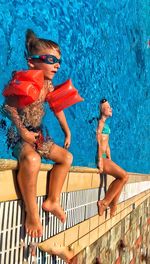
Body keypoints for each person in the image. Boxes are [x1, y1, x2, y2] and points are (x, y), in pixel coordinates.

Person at [3, 29, 73, 238]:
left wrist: (67, 131)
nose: (57, 64)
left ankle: (52, 200)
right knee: (32, 160)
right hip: (19, 134)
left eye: (58, 61)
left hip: (37, 133)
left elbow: (57, 107)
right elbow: (7, 108)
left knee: (66, 158)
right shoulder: (22, 82)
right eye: (51, 59)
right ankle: (31, 212)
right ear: (32, 62)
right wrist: (22, 132)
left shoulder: (48, 85)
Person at [96, 99, 128, 217]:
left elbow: (106, 142)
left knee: (122, 177)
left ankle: (113, 203)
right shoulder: (100, 123)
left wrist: (109, 156)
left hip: (105, 157)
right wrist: (100, 159)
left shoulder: (106, 125)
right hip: (100, 157)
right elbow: (99, 140)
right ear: (101, 110)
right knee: (124, 176)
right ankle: (105, 203)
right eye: (107, 106)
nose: (111, 108)